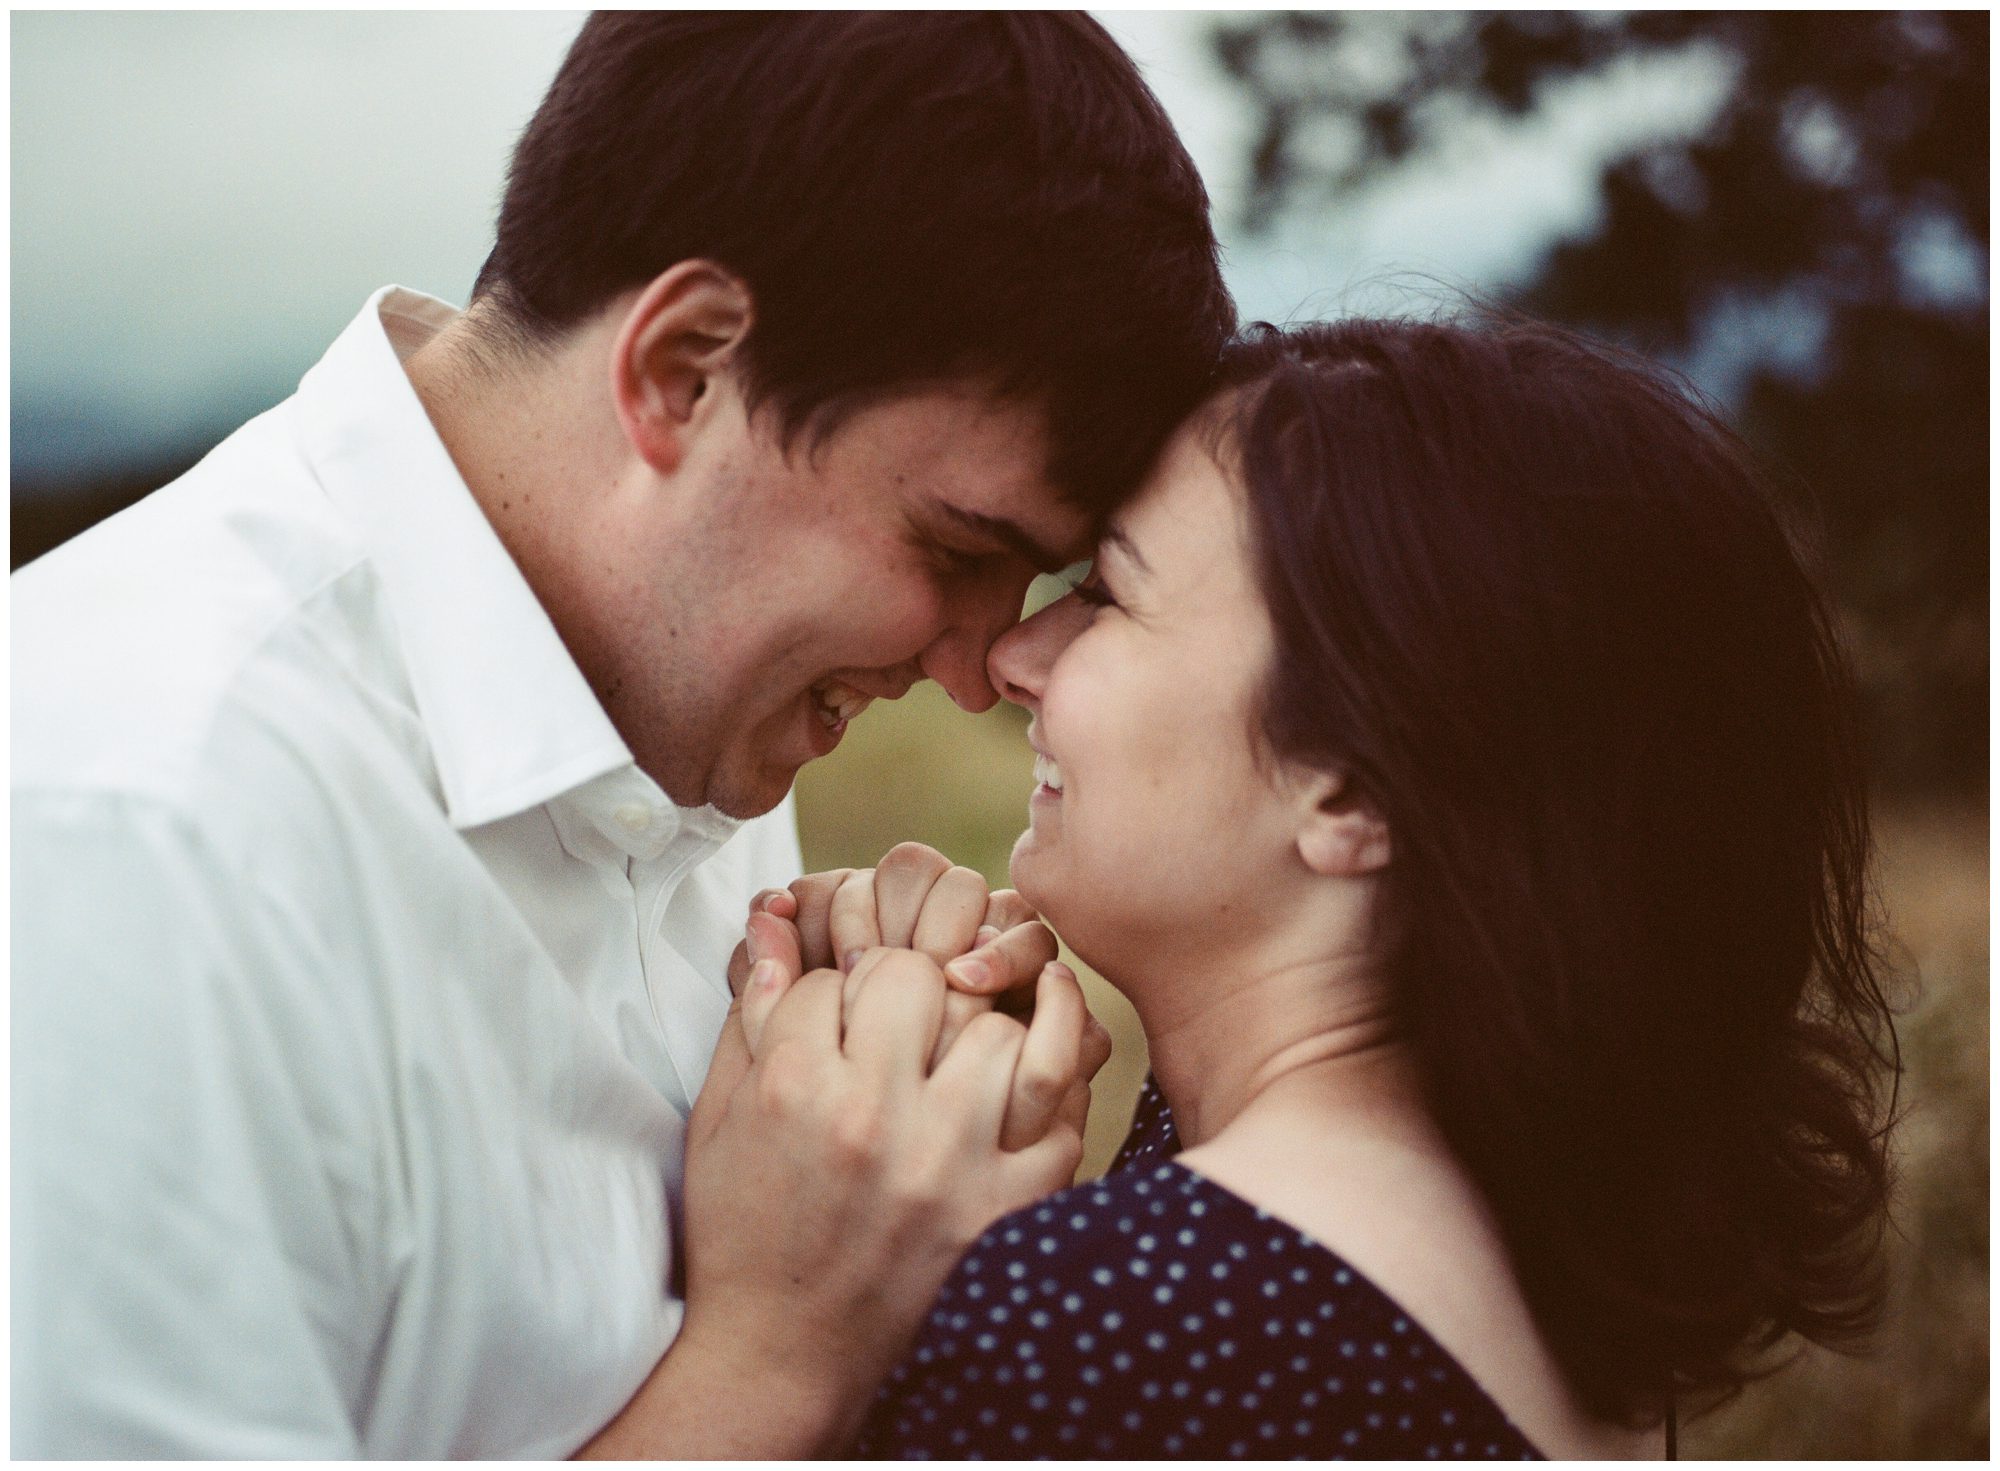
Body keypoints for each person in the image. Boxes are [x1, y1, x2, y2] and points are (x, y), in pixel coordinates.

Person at [11, 12, 1232, 1457]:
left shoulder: (657, 670)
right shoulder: (132, 830)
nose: (979, 666)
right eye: (957, 541)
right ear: (685, 369)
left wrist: (877, 1125)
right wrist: (783, 1354)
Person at [741, 315, 1894, 1457]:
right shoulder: (1512, 1268)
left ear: (1347, 789)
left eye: (1108, 594)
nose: (1013, 658)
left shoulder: (1130, 1325)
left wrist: (781, 1335)